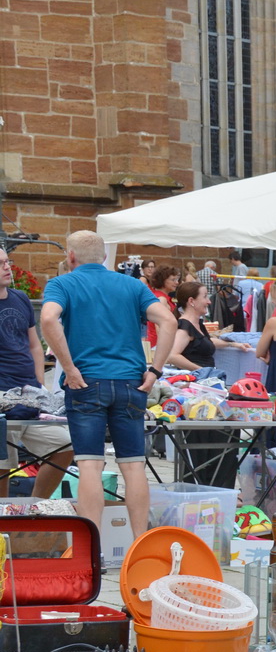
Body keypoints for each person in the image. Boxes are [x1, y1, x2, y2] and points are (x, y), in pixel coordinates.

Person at [38, 230, 177, 539]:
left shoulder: (63, 283)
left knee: (89, 465)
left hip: (85, 382)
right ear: (103, 257)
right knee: (133, 465)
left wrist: (70, 368)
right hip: (130, 383)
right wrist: (155, 370)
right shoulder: (131, 285)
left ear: (71, 257)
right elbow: (169, 321)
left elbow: (48, 319)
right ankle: (139, 541)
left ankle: (92, 546)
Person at [0, 246, 74, 498]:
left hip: (30, 395)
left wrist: (39, 384)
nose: (7, 267)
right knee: (2, 464)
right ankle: (3, 525)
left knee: (66, 445)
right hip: (2, 400)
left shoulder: (20, 298)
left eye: (7, 261)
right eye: (1, 263)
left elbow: (34, 344)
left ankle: (35, 506)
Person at [166, 280, 242, 373]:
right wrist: (201, 370)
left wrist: (232, 344)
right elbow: (172, 356)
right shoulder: (185, 327)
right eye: (205, 297)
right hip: (195, 381)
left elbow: (205, 342)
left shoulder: (197, 324)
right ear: (191, 301)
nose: (209, 301)